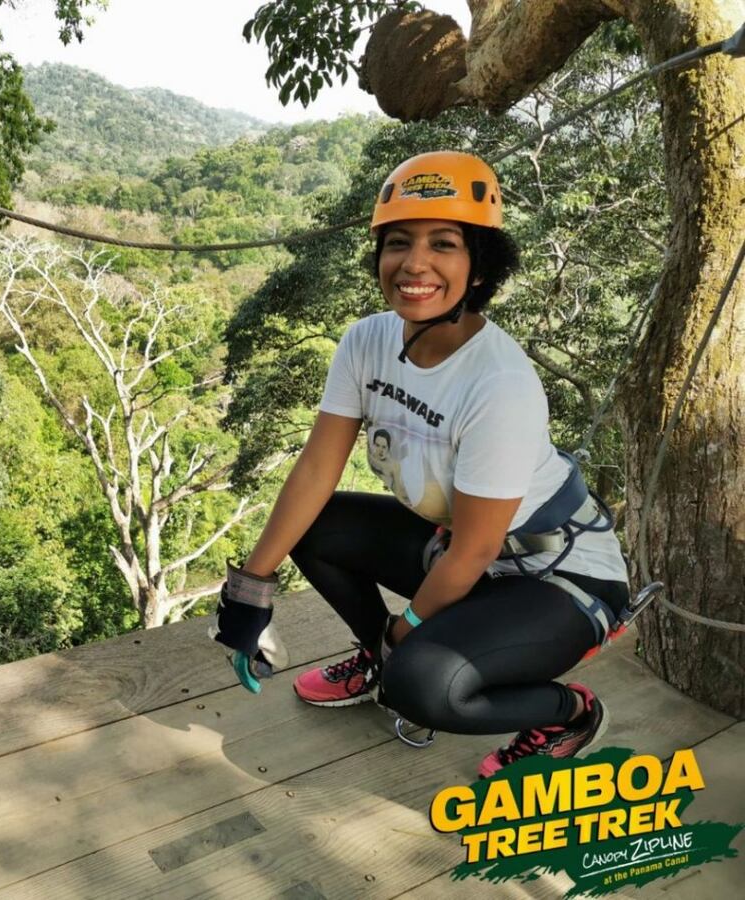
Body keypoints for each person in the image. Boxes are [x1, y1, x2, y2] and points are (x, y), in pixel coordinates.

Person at [212, 151, 630, 778]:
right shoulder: (367, 341)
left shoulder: (499, 384)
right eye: (398, 242)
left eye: (445, 244)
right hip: (460, 551)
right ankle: (381, 657)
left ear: (481, 266)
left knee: (421, 687)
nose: (414, 263)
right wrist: (250, 590)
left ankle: (566, 712)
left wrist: (404, 632)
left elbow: (474, 554)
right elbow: (315, 472)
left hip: (555, 576)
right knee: (317, 524)